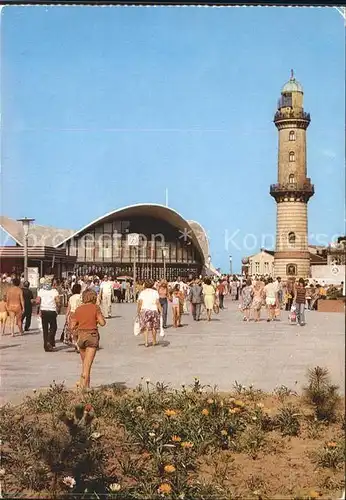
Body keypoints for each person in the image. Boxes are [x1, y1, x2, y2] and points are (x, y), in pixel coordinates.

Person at [71, 289, 106, 389]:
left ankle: (86, 385)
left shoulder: (78, 309)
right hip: (91, 335)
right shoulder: (96, 308)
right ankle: (83, 388)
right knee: (88, 365)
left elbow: (73, 325)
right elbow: (102, 323)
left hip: (80, 336)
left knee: (85, 363)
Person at [37, 278, 60, 351]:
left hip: (44, 311)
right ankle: (49, 340)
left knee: (45, 329)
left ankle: (46, 346)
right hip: (52, 311)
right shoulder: (54, 291)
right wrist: (59, 307)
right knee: (54, 327)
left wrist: (35, 303)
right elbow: (58, 301)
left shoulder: (41, 291)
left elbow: (38, 301)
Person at [137, 280, 162, 347]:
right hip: (154, 310)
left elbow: (140, 302)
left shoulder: (142, 292)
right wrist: (160, 310)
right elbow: (157, 302)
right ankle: (154, 341)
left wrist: (138, 311)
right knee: (154, 326)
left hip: (144, 310)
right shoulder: (155, 292)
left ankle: (146, 342)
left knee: (145, 327)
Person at [63, 283, 82, 347]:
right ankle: (79, 343)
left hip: (73, 314)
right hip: (80, 314)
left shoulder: (71, 298)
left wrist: (66, 316)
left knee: (73, 329)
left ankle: (76, 343)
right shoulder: (81, 296)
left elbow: (69, 307)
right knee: (80, 329)